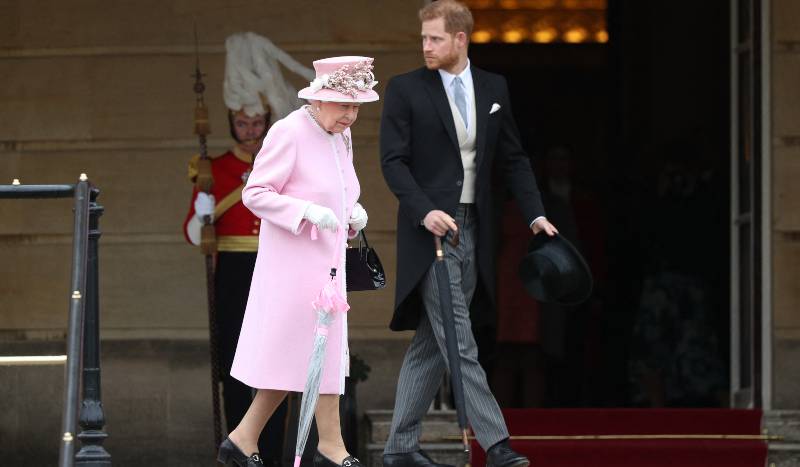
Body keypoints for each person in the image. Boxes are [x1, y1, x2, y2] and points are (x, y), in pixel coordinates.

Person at [379, 2, 558, 467]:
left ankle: (398, 448)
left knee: (431, 344)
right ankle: (497, 444)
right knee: (459, 338)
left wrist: (535, 215)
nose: (426, 46)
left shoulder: (494, 87)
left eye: (435, 38)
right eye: (423, 38)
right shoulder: (405, 89)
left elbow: (514, 159)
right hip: (430, 232)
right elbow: (392, 163)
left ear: (461, 39)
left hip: (475, 226)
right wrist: (424, 212)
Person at [216, 56, 378, 467]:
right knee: (297, 354)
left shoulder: (341, 135)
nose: (351, 115)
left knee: (322, 352)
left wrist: (352, 213)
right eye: (344, 104)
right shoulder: (288, 131)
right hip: (291, 264)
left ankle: (250, 439)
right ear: (320, 99)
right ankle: (320, 444)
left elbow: (340, 190)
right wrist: (303, 211)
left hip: (327, 264)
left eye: (356, 106)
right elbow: (257, 193)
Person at [184, 32, 307, 466]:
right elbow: (194, 236)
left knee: (278, 363)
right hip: (235, 270)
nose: (250, 132)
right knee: (237, 365)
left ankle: (273, 452)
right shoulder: (213, 168)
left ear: (268, 120)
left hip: (276, 266)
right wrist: (204, 208)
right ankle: (242, 449)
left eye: (257, 124)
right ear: (232, 122)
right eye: (242, 124)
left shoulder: (282, 162)